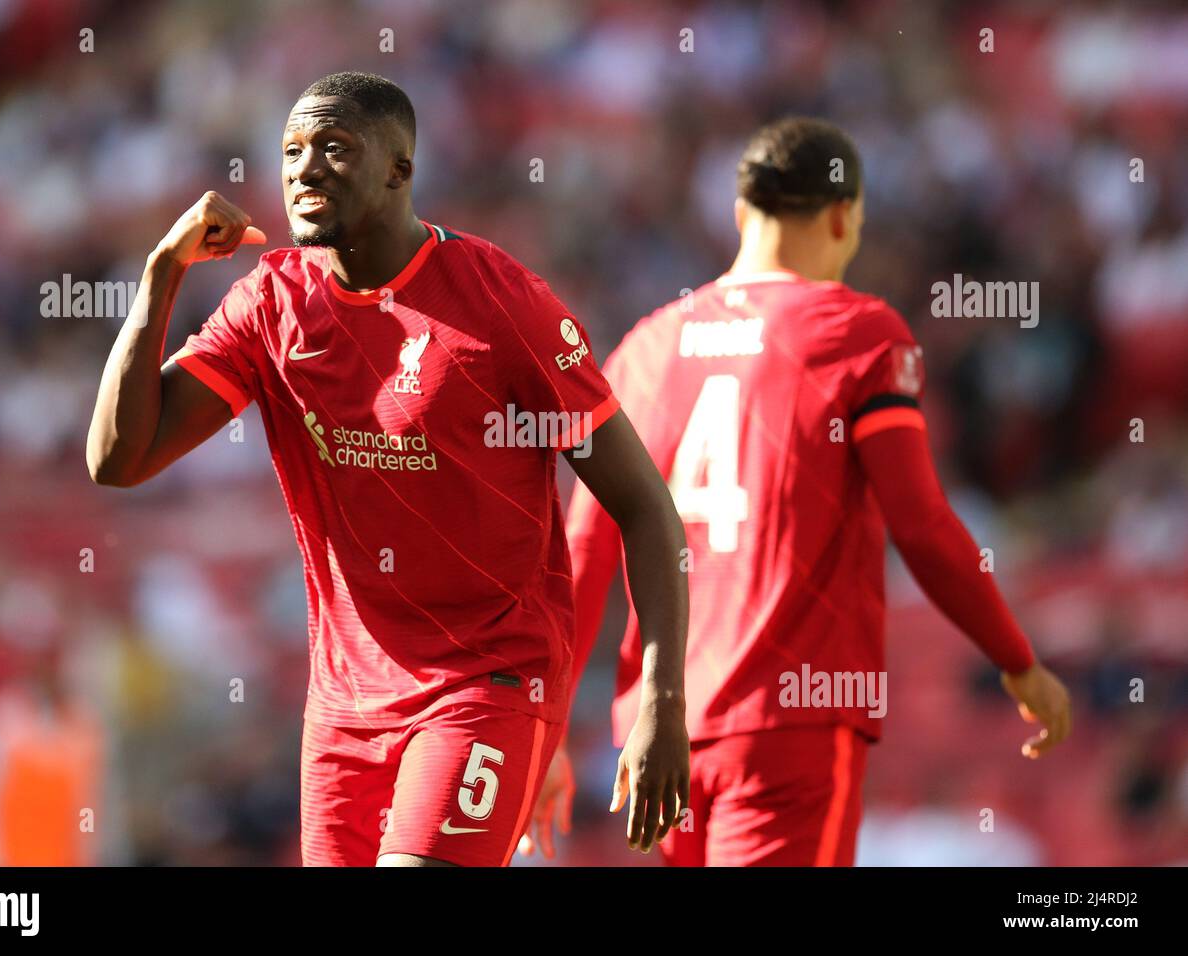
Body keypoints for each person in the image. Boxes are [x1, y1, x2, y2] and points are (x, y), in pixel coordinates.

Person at [86, 71, 689, 866]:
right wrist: (161, 276)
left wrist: (661, 702)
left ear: (400, 170)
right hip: (343, 710)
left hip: (489, 685)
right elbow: (118, 459)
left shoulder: (501, 304)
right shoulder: (271, 304)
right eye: (292, 152)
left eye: (336, 149)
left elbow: (644, 506)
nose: (305, 168)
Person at [529, 117, 1071, 866]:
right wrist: (1018, 661)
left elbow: (582, 549)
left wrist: (546, 731)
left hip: (663, 732)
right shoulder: (858, 332)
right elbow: (921, 526)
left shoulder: (646, 346)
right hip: (790, 717)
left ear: (740, 212)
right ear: (845, 216)